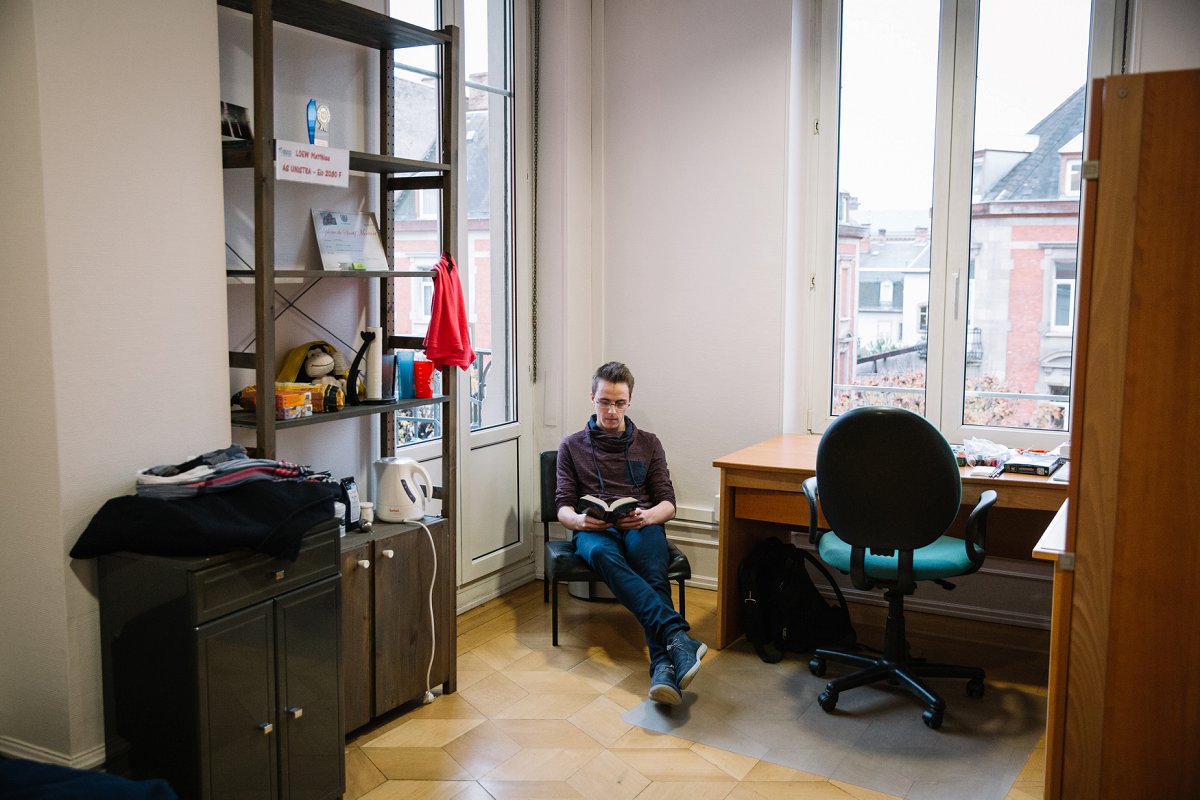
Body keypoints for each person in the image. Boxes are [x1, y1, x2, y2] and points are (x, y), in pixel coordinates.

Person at [555, 361, 706, 705]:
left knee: (652, 569)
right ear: (592, 398)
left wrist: (648, 514)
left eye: (619, 403)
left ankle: (663, 668)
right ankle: (677, 637)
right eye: (604, 401)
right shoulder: (571, 446)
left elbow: (668, 503)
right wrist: (579, 521)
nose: (611, 410)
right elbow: (562, 505)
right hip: (594, 527)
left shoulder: (649, 443)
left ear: (629, 402)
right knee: (599, 553)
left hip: (640, 522)